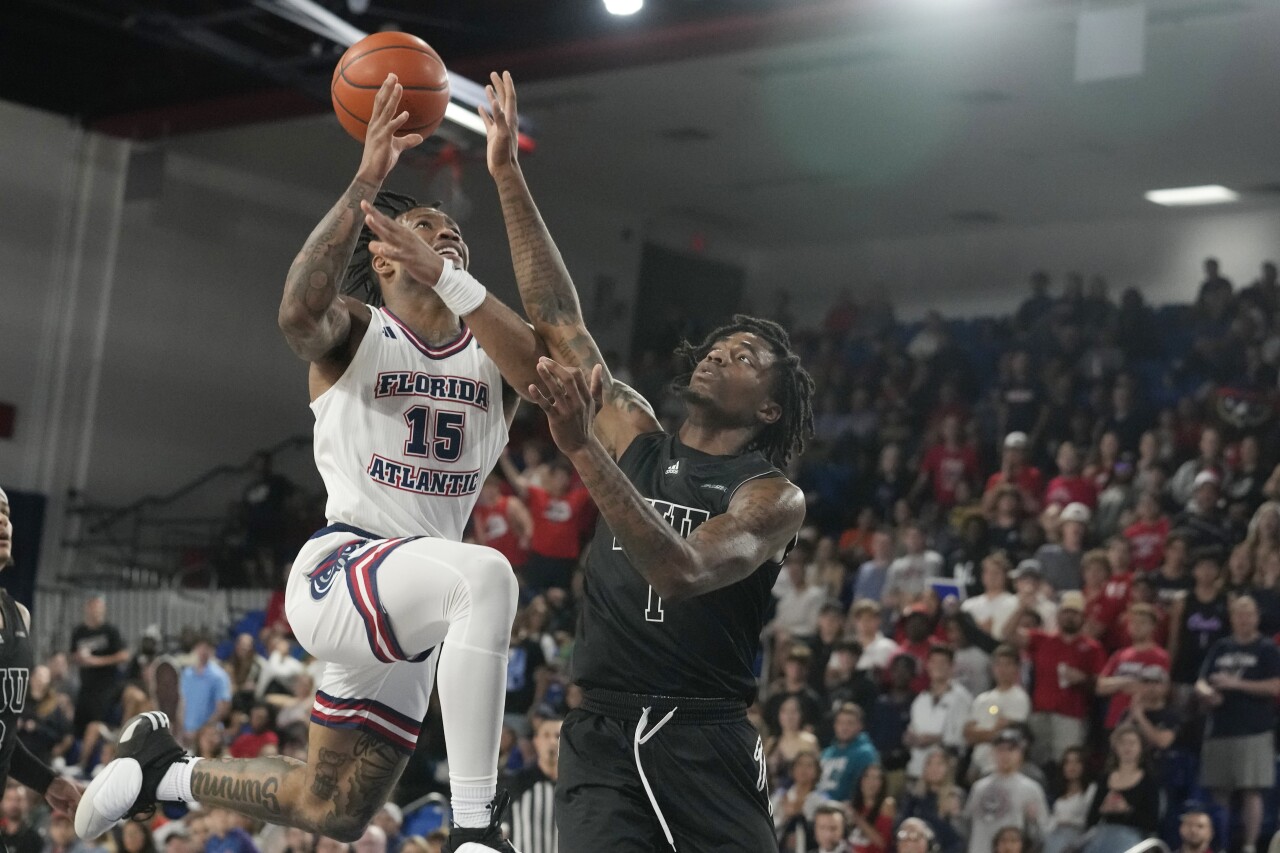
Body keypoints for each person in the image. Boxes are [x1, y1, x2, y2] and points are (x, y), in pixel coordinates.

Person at [77, 75, 555, 852]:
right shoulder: (360, 331)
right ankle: (477, 828)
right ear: (385, 256)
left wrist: (460, 271)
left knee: (335, 806)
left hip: (420, 599)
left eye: (453, 234)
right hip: (345, 568)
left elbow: (546, 372)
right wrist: (367, 178)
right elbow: (298, 310)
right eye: (426, 226)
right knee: (489, 575)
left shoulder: (489, 352)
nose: (446, 235)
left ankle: (162, 771)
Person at [480, 73, 814, 852]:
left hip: (703, 738)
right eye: (720, 346)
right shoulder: (633, 427)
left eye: (746, 357)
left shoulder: (771, 496)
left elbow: (682, 570)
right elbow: (557, 322)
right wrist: (505, 174)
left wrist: (581, 448)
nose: (721, 354)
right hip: (599, 731)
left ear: (769, 409)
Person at [0, 489, 82, 816]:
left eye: (6, 513)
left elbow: (3, 735)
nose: (2, 521)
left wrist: (46, 781)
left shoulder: (19, 615)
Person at [1195, 595, 1280, 853]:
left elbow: (1275, 686)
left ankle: (1249, 846)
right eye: (1238, 614)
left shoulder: (1266, 648)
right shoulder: (1221, 646)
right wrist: (1207, 693)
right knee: (1219, 791)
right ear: (1232, 618)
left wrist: (1236, 684)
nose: (1243, 619)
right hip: (1220, 728)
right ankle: (1220, 844)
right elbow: (1201, 681)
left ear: (1256, 617)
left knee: (1251, 790)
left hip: (1254, 729)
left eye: (1248, 614)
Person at [1014, 591, 1105, 766]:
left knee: (1065, 762)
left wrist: (1083, 679)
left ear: (1083, 617)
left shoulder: (1092, 647)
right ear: (1058, 615)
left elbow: (1100, 685)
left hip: (1071, 715)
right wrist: (1020, 609)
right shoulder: (1042, 639)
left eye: (1075, 613)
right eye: (1066, 612)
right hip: (1040, 712)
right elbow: (1008, 634)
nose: (1069, 617)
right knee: (1037, 760)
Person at [962, 728, 1049, 853]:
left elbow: (1043, 831)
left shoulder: (1031, 788)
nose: (1005, 755)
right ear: (993, 752)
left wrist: (1033, 822)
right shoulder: (978, 787)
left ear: (1020, 753)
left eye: (1011, 750)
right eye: (1000, 750)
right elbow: (967, 824)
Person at [1083, 723, 1159, 853]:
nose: (1127, 747)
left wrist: (1126, 810)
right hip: (1103, 834)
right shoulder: (1104, 779)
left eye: (1132, 743)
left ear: (1141, 747)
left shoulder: (1149, 781)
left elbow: (1152, 822)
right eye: (1123, 743)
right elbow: (1090, 819)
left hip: (1134, 837)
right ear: (1116, 748)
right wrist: (1103, 809)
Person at [963, 645, 1031, 780]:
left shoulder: (1019, 698)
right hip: (977, 764)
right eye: (998, 664)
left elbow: (1004, 735)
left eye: (1007, 664)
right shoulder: (982, 699)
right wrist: (990, 731)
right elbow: (967, 735)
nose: (1002, 669)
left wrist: (980, 734)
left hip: (999, 766)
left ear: (1016, 668)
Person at [905, 646, 972, 779]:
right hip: (917, 770)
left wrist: (935, 739)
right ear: (927, 665)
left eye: (943, 662)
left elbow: (963, 737)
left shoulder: (961, 698)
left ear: (952, 667)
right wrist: (909, 738)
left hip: (946, 773)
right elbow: (912, 730)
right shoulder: (920, 699)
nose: (938, 666)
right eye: (934, 662)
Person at [69, 596, 128, 745]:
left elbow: (123, 655)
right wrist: (79, 658)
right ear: (87, 609)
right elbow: (71, 656)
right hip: (86, 685)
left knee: (97, 722)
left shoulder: (110, 631)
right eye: (93, 608)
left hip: (106, 687)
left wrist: (96, 661)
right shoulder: (79, 632)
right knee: (79, 723)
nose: (96, 612)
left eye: (99, 609)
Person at [504, 717, 560, 853]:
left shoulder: (578, 786)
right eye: (546, 735)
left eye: (558, 736)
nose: (552, 742)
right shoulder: (517, 783)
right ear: (536, 741)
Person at [897, 750, 964, 853]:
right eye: (930, 764)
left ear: (947, 768)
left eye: (939, 764)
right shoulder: (913, 796)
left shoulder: (955, 796)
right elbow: (900, 828)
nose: (934, 768)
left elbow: (959, 840)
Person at [818, 704, 878, 803]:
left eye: (850, 723)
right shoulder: (826, 753)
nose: (844, 727)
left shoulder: (865, 754)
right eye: (840, 723)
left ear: (860, 726)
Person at [1043, 747, 1095, 853]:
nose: (1072, 767)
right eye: (1068, 762)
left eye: (1076, 762)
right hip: (1054, 837)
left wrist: (1068, 821)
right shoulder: (1058, 793)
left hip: (1078, 840)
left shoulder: (1091, 790)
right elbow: (1051, 822)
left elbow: (1091, 822)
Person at [180, 636, 232, 741]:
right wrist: (181, 729)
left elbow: (222, 709)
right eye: (200, 647)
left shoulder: (219, 676)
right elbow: (182, 703)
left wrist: (201, 732)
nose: (203, 651)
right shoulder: (187, 674)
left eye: (206, 648)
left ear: (212, 651)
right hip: (187, 733)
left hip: (209, 735)